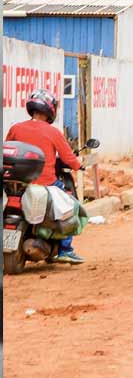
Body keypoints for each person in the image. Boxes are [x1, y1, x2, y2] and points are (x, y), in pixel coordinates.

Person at [4, 89, 85, 264]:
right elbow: (68, 157)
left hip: (15, 183)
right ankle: (65, 249)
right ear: (50, 110)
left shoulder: (16, 128)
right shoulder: (53, 132)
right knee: (69, 207)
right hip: (46, 183)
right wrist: (79, 165)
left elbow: (7, 148)